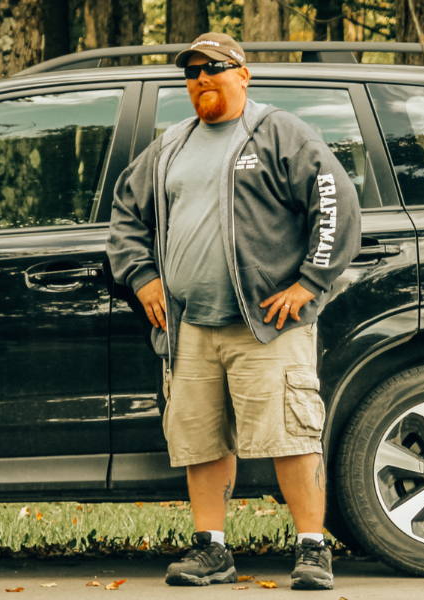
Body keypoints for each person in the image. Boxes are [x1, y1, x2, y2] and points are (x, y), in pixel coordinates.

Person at [106, 32, 361, 590]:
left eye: (213, 67)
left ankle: (313, 549)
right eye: (191, 71)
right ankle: (212, 551)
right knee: (200, 441)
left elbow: (335, 202)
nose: (201, 78)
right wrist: (142, 276)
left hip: (266, 325)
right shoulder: (172, 144)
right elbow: (126, 210)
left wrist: (309, 283)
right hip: (189, 327)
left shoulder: (279, 132)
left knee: (291, 436)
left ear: (243, 74)